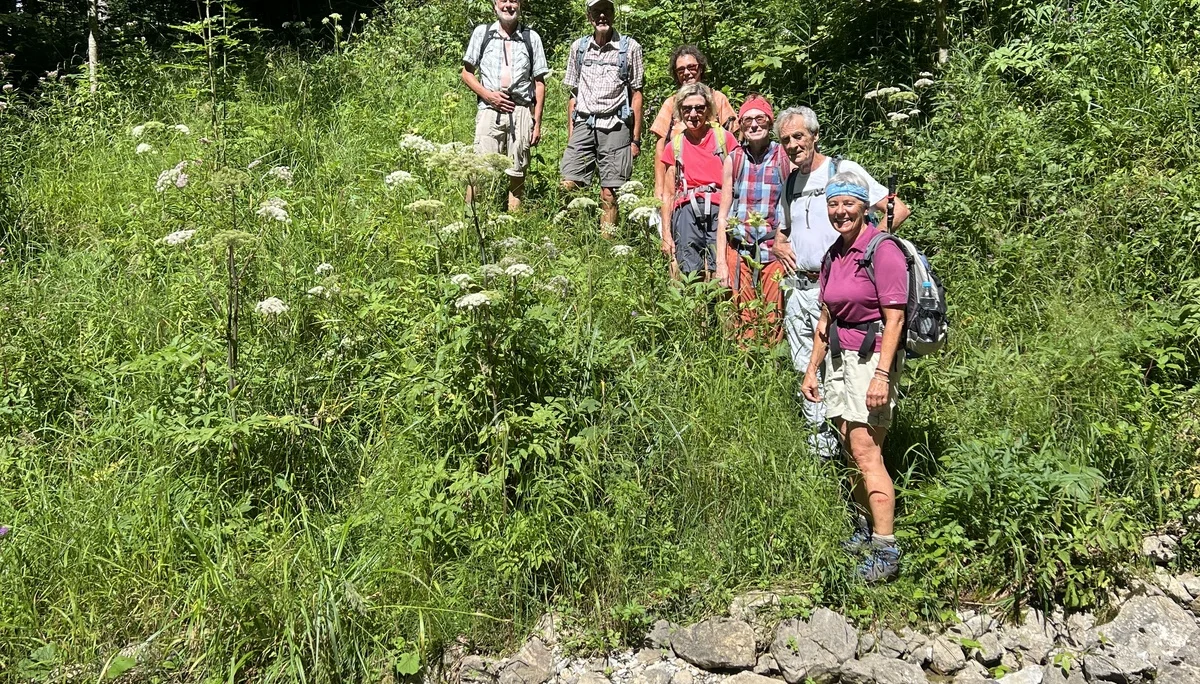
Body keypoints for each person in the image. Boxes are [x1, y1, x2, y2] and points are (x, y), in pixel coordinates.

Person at [774, 106, 910, 459]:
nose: (792, 145)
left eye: (798, 136)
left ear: (815, 136)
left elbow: (897, 209)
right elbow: (784, 229)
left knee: (843, 371)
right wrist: (778, 242)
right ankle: (824, 454)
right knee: (805, 369)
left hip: (838, 292)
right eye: (785, 140)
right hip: (798, 288)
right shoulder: (789, 181)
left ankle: (857, 455)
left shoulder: (842, 170)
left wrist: (870, 253)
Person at [801, 171, 909, 583]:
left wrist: (882, 375)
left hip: (870, 360)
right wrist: (812, 369)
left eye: (848, 203)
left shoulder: (882, 251)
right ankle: (863, 531)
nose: (840, 211)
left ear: (865, 206)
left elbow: (895, 318)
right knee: (849, 447)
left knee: (866, 451)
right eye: (833, 204)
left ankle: (886, 548)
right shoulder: (834, 254)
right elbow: (825, 318)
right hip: (838, 360)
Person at [560, 0, 644, 228]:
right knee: (569, 182)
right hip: (584, 123)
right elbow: (573, 94)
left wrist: (635, 140)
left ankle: (607, 245)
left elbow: (637, 95)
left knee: (610, 191)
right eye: (597, 12)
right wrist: (572, 133)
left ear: (613, 14)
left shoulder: (630, 48)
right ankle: (573, 235)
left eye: (606, 11)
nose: (602, 17)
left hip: (616, 124)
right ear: (589, 16)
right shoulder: (578, 47)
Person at [461, 0, 549, 212]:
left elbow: (539, 83)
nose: (508, 6)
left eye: (514, 1)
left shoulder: (531, 37)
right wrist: (489, 96)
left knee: (517, 171)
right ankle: (471, 219)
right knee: (479, 170)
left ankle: (514, 222)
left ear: (520, 5)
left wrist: (536, 123)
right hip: (489, 110)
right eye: (503, 0)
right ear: (495, 5)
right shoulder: (482, 33)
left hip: (521, 110)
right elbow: (466, 73)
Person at [716, 94, 790, 342]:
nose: (754, 125)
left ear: (770, 123)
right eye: (747, 120)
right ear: (741, 125)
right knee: (744, 317)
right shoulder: (734, 159)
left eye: (760, 119)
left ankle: (770, 369)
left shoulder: (783, 157)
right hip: (740, 250)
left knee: (774, 317)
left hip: (773, 250)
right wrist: (720, 261)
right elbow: (724, 215)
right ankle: (747, 368)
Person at [659, 83, 737, 277]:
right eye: (687, 109)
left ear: (708, 110)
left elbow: (739, 180)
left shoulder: (724, 139)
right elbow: (668, 194)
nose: (693, 114)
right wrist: (666, 234)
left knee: (721, 268)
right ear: (680, 112)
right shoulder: (674, 146)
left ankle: (721, 307)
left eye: (699, 108)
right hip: (686, 210)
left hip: (721, 211)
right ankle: (695, 308)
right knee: (689, 273)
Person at [650, 45, 737, 212]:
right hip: (680, 191)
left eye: (692, 67)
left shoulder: (718, 99)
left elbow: (734, 147)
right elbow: (661, 149)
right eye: (681, 69)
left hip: (718, 191)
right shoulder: (670, 103)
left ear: (701, 69)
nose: (687, 73)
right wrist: (659, 188)